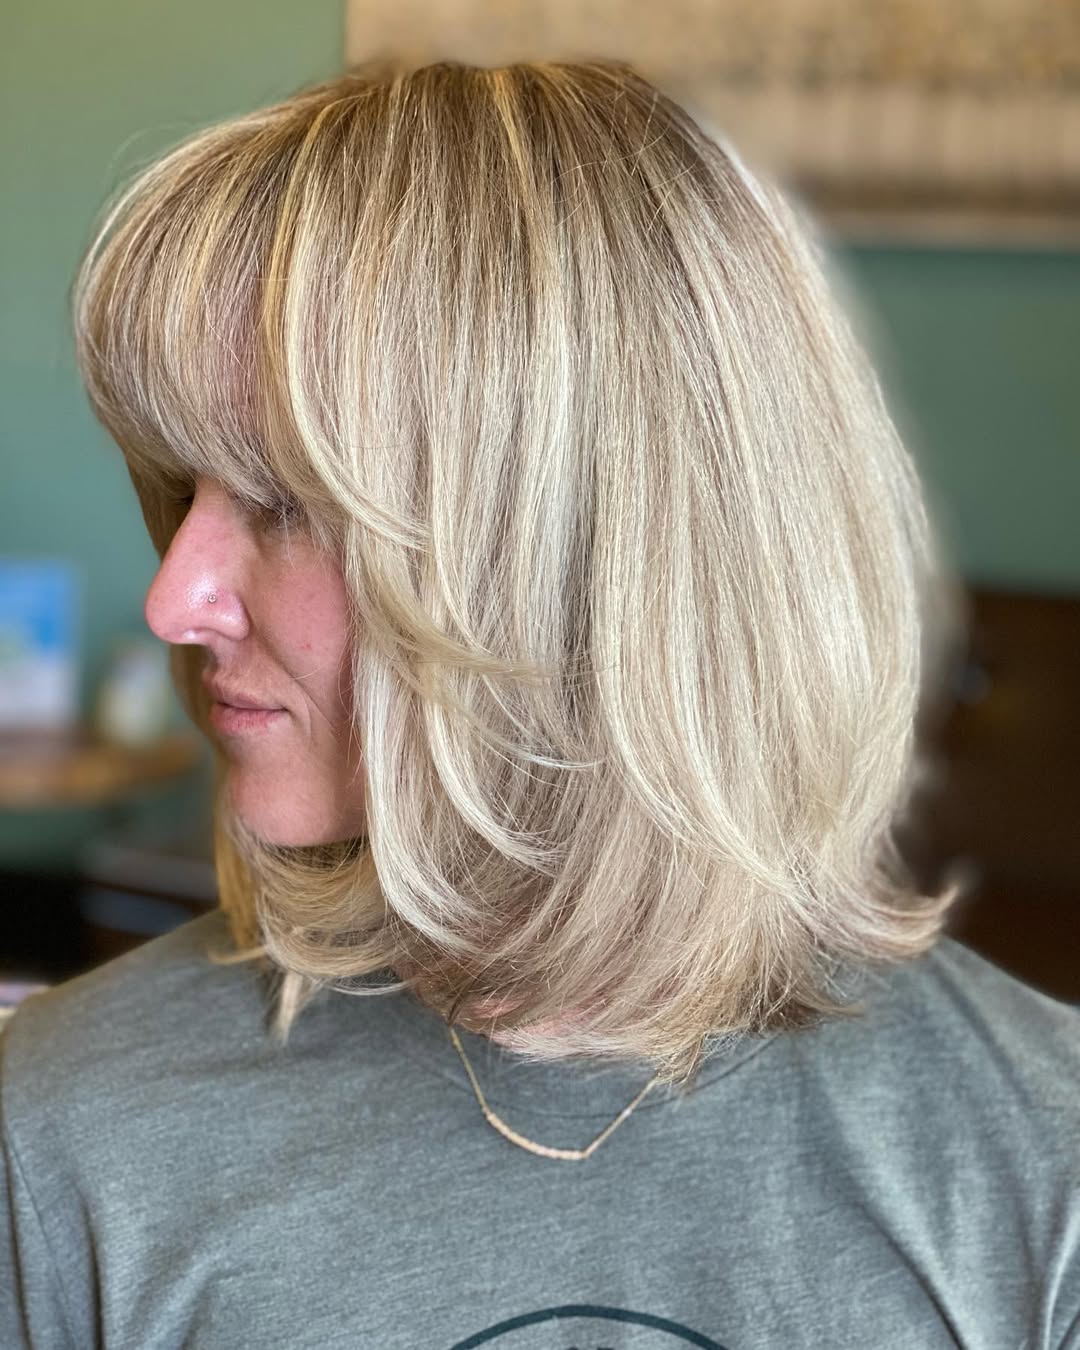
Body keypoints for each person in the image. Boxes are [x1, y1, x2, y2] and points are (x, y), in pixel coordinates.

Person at [2, 56, 1077, 1350]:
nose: (175, 599)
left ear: (572, 561)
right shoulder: (60, 1134)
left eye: (284, 503)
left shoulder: (1041, 1168)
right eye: (187, 489)